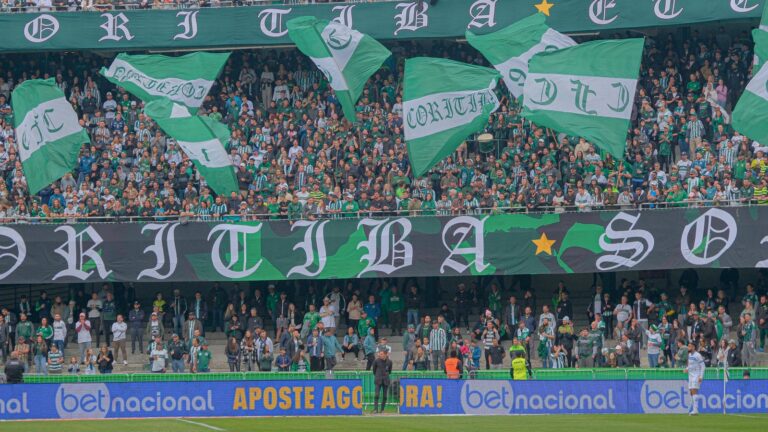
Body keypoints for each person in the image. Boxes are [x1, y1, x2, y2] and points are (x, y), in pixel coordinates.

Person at [685, 341, 706, 416]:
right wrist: (687, 369)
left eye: (689, 346)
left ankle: (695, 410)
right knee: (691, 392)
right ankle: (694, 409)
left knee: (694, 391)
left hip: (696, 375)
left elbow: (703, 366)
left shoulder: (698, 355)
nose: (688, 348)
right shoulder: (689, 355)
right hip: (690, 375)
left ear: (693, 347)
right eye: (688, 346)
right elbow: (690, 365)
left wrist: (701, 376)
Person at [371, 349, 392, 414]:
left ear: (385, 354)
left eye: (381, 354)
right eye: (380, 354)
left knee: (385, 396)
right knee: (376, 395)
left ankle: (382, 410)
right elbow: (374, 370)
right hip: (378, 380)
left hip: (386, 380)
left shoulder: (389, 362)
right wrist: (378, 375)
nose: (380, 355)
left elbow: (389, 371)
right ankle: (375, 409)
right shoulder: (376, 361)